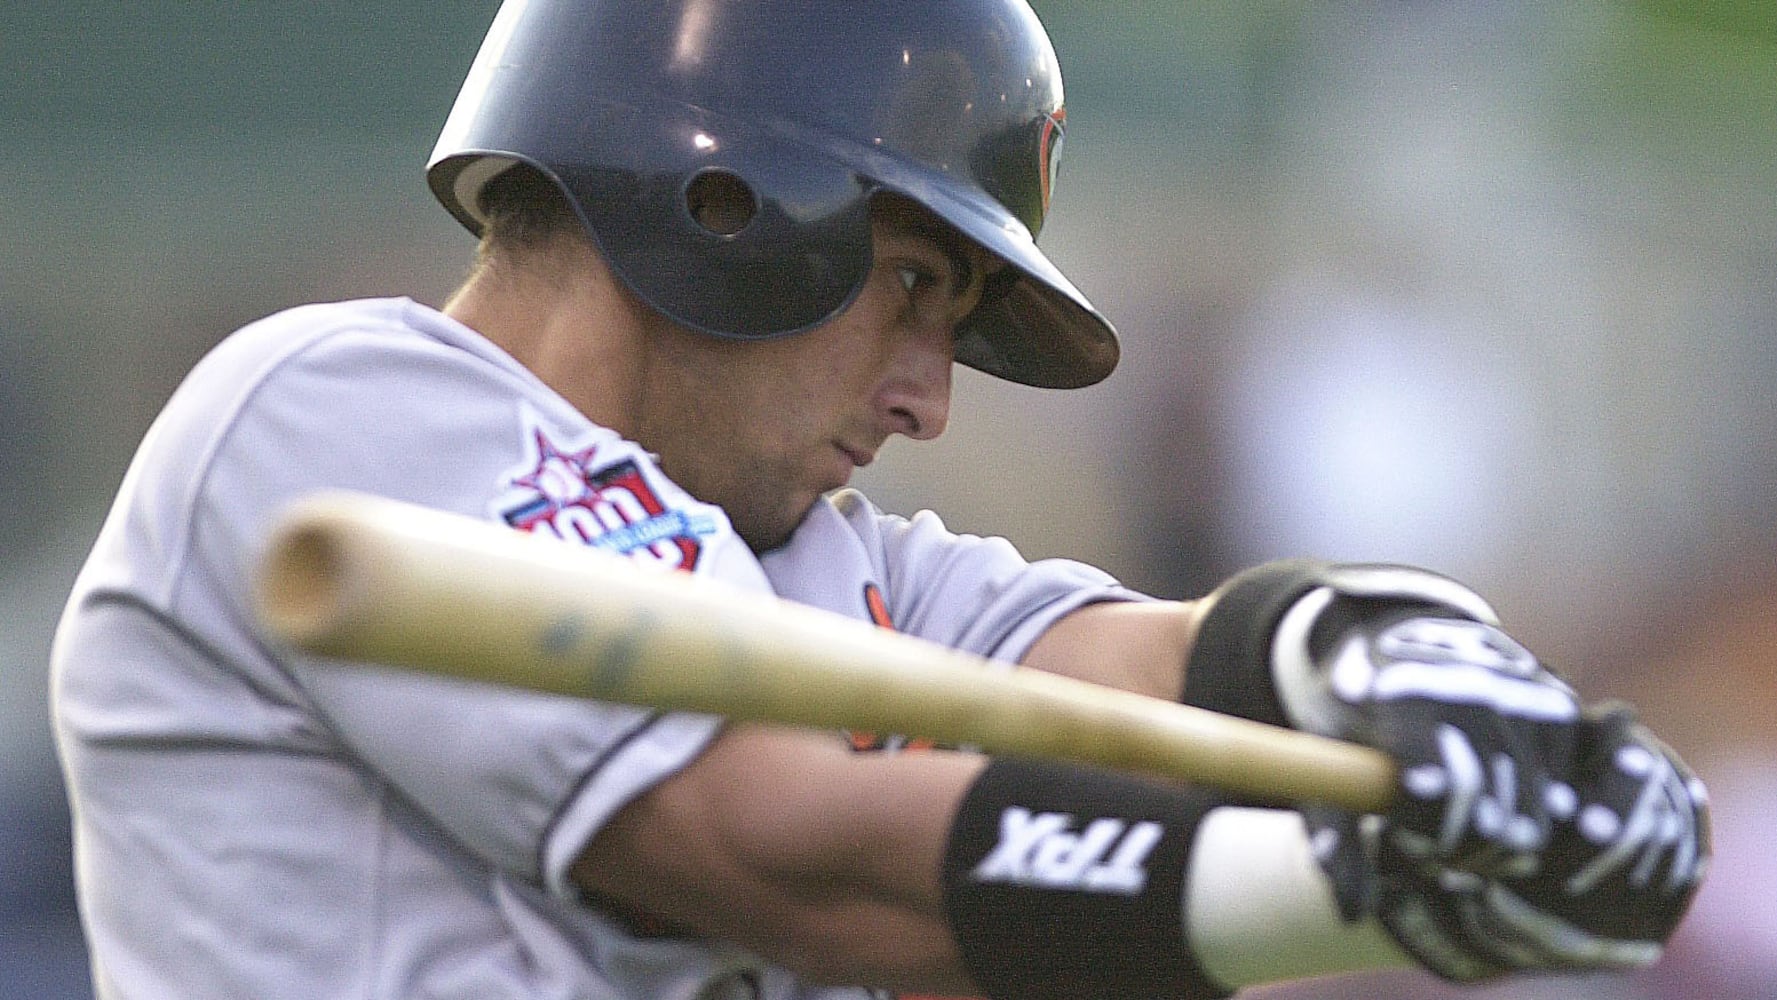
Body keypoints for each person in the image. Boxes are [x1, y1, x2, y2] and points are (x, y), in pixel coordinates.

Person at [51, 3, 1707, 998]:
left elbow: (1127, 669)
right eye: (911, 286)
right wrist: (1342, 886)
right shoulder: (340, 407)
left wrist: (1414, 667)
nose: (926, 396)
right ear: (725, 201)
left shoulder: (793, 546)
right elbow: (778, 849)